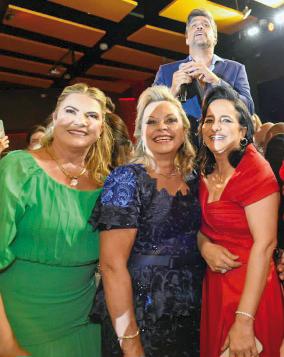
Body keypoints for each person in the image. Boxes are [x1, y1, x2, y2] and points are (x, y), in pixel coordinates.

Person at [89, 85, 204, 357]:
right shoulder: (126, 179)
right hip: (142, 308)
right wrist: (130, 342)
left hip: (192, 305)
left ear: (184, 128)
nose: (161, 128)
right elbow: (111, 265)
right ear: (140, 132)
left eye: (170, 120)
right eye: (151, 122)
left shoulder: (195, 177)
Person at [0, 83, 113, 357]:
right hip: (20, 328)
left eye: (91, 116)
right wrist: (7, 346)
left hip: (86, 329)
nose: (80, 121)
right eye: (71, 111)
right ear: (54, 118)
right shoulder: (17, 168)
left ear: (101, 129)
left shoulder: (107, 185)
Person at [197, 86, 284, 357]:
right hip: (216, 287)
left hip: (251, 293)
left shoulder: (255, 170)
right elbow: (200, 225)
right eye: (209, 120)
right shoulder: (204, 168)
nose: (215, 127)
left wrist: (245, 320)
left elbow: (265, 244)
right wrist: (204, 246)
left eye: (225, 119)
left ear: (243, 130)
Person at [153, 8, 254, 127]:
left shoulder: (236, 69)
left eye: (205, 25)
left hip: (223, 141)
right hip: (184, 143)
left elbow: (249, 109)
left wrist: (216, 82)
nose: (199, 27)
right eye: (194, 25)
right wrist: (172, 91)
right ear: (187, 38)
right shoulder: (166, 72)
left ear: (215, 38)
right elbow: (150, 112)